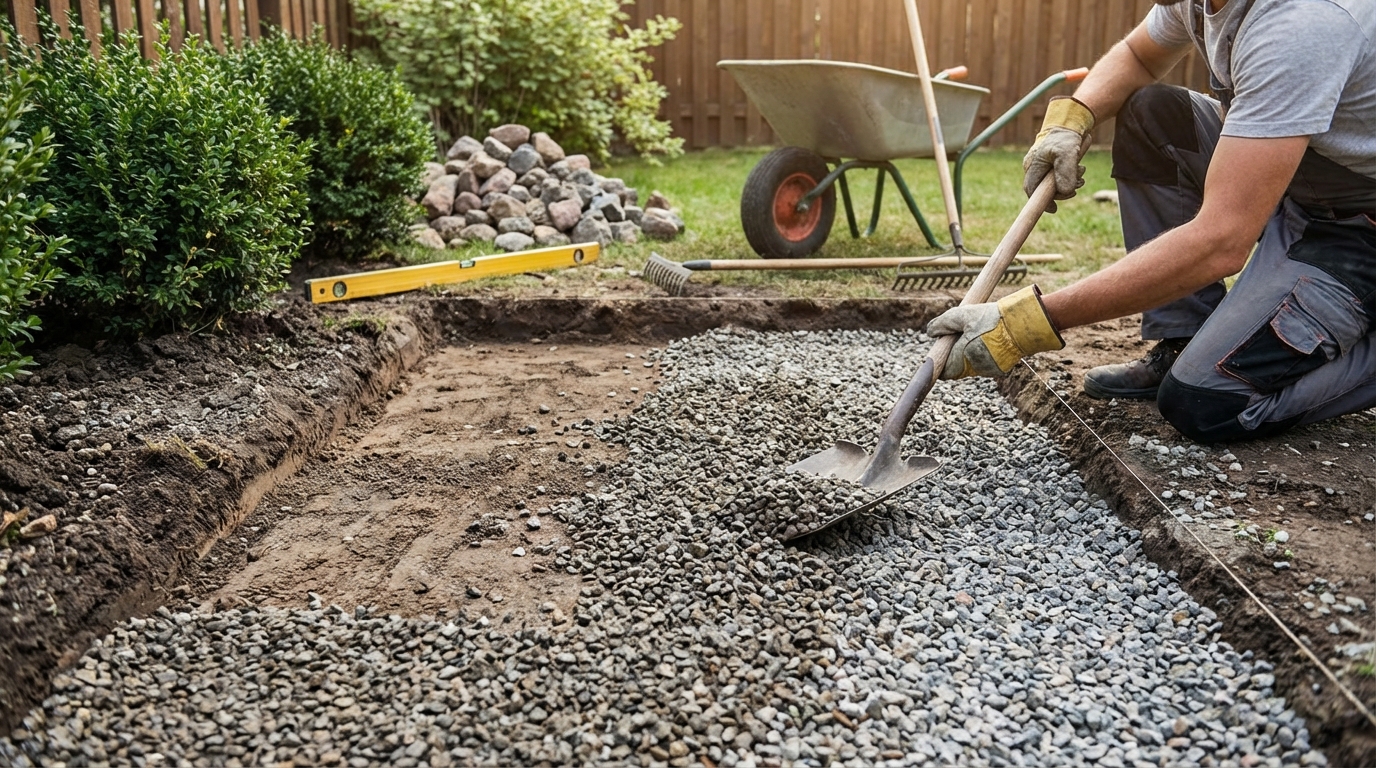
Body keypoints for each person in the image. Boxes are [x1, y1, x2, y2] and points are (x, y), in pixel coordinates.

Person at [926, 0, 1376, 443]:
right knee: (1154, 113)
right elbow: (1138, 55)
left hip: (1357, 228)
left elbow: (1221, 240)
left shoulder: (1303, 25)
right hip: (1296, 178)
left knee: (1206, 401)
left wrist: (1023, 324)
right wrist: (1070, 121)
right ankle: (1183, 335)